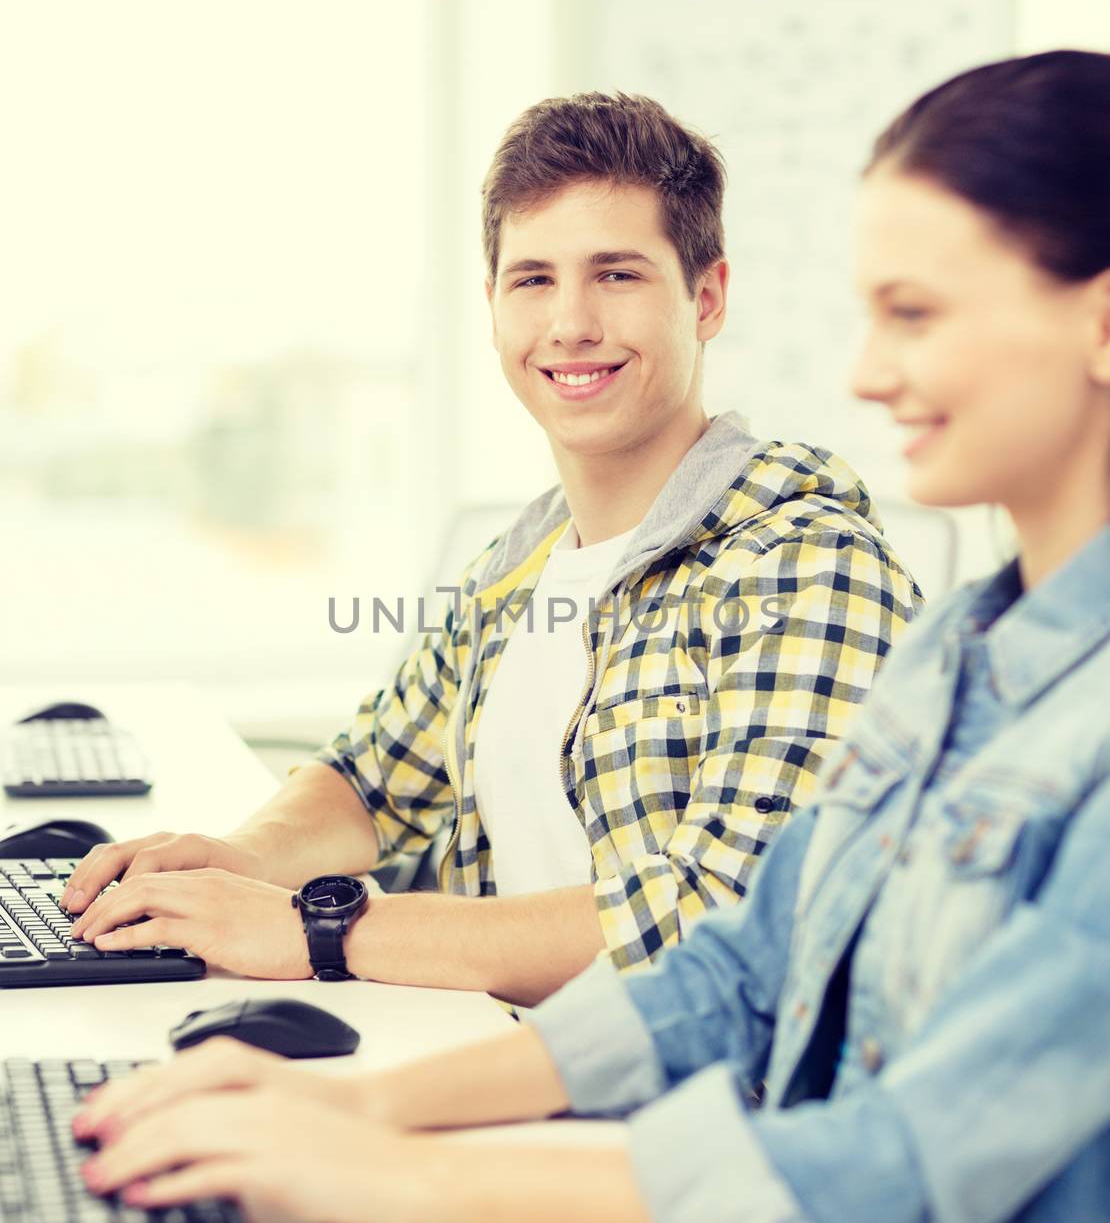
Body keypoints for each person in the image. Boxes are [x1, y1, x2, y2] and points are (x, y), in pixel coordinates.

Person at [77, 50, 1110, 1223]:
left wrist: (396, 1138)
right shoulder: (954, 658)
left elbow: (898, 1162)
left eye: (912, 315)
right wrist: (364, 1103)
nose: (863, 374)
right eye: (532, 278)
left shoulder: (821, 568)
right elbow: (733, 972)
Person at [61, 92, 919, 1003]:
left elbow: (713, 918)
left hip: (682, 1121)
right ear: (495, 304)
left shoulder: (809, 566)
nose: (571, 323)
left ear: (705, 298)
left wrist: (316, 929)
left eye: (618, 275)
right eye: (534, 279)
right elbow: (371, 777)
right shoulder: (523, 561)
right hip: (506, 1065)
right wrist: (239, 858)